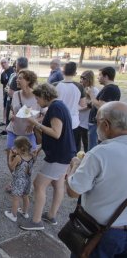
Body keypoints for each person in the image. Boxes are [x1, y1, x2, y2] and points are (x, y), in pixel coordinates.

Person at [66, 101, 127, 257]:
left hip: (99, 233)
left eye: (96, 121)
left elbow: (73, 191)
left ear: (106, 125)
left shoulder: (100, 153)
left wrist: (75, 166)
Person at [20, 83, 76, 231]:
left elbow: (56, 133)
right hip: (64, 152)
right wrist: (40, 147)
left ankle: (36, 221)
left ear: (45, 96)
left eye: (38, 98)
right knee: (57, 184)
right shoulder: (59, 105)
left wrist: (34, 123)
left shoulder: (55, 108)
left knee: (39, 184)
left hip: (59, 155)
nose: (37, 102)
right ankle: (51, 216)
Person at [5, 70, 40, 163]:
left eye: (20, 78)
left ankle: (25, 176)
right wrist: (11, 115)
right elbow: (12, 110)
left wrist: (34, 123)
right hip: (13, 131)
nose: (17, 80)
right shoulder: (16, 94)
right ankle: (15, 176)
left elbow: (45, 114)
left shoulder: (37, 96)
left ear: (28, 81)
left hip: (29, 134)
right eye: (17, 78)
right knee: (10, 156)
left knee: (32, 155)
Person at [86, 66, 121, 150]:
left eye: (100, 75)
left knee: (93, 148)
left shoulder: (110, 89)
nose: (98, 77)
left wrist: (91, 95)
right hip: (98, 123)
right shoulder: (111, 88)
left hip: (97, 124)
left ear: (106, 76)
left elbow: (101, 106)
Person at [55, 62, 86, 147]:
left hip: (58, 121)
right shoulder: (79, 86)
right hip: (73, 122)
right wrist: (73, 107)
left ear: (63, 72)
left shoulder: (55, 85)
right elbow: (83, 104)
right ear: (75, 73)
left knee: (59, 147)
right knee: (73, 147)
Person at [4, 136, 34, 222]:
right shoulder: (32, 156)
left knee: (16, 198)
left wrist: (10, 156)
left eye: (15, 147)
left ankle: (13, 215)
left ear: (21, 148)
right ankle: (25, 212)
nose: (14, 148)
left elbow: (11, 167)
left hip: (18, 181)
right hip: (27, 180)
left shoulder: (18, 158)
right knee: (25, 196)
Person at [77, 70, 99, 152]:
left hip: (87, 122)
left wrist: (80, 108)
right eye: (81, 77)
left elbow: (93, 105)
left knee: (87, 143)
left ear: (89, 79)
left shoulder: (94, 91)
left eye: (84, 78)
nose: (81, 80)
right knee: (76, 143)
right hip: (78, 120)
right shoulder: (79, 88)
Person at [0, 58, 15, 126]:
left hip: (12, 92)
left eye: (4, 62)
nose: (3, 64)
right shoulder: (2, 73)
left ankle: (10, 122)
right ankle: (4, 120)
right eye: (1, 63)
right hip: (5, 92)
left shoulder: (12, 70)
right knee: (5, 105)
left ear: (8, 62)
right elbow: (3, 83)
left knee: (11, 106)